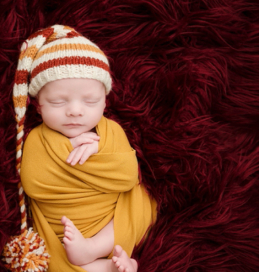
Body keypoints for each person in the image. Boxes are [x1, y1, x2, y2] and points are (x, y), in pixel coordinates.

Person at [14, 24, 157, 272]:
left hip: (109, 220)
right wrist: (66, 149)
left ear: (104, 103)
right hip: (63, 226)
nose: (75, 111)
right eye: (58, 101)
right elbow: (34, 183)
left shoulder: (112, 131)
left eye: (90, 101)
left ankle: (96, 248)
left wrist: (97, 153)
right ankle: (111, 267)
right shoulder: (37, 138)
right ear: (38, 107)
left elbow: (127, 178)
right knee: (57, 262)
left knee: (144, 202)